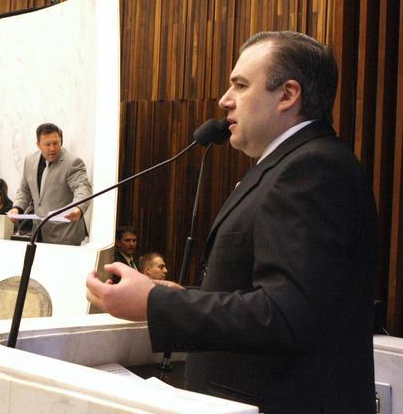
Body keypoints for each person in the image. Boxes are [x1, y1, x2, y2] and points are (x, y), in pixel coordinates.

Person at [86, 31, 379, 413]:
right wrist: (182, 294)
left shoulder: (313, 168)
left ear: (288, 95)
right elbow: (272, 293)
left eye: (240, 85)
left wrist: (156, 303)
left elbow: (286, 315)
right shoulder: (288, 165)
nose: (224, 100)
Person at [8, 123, 92, 245]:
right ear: (38, 145)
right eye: (47, 144)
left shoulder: (72, 162)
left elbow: (82, 187)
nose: (52, 148)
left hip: (65, 234)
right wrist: (17, 208)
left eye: (56, 143)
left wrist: (78, 208)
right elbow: (25, 190)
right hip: (39, 232)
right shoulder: (30, 160)